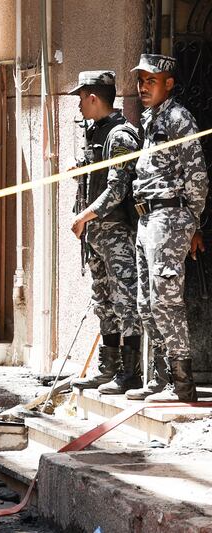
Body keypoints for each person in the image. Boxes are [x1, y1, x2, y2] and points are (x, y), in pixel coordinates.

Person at [126, 54, 208, 403]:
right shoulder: (151, 119)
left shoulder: (178, 118)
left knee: (165, 300)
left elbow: (197, 177)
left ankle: (182, 382)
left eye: (151, 80)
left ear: (168, 84)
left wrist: (190, 222)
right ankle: (159, 379)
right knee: (146, 302)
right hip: (147, 219)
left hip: (168, 218)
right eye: (141, 80)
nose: (144, 87)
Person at [67, 71, 143, 395]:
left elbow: (117, 191)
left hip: (116, 233)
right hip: (96, 235)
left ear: (93, 97)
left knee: (125, 301)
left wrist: (84, 216)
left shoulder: (121, 135)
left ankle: (131, 373)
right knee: (104, 302)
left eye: (82, 98)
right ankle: (108, 369)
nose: (80, 105)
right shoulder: (95, 132)